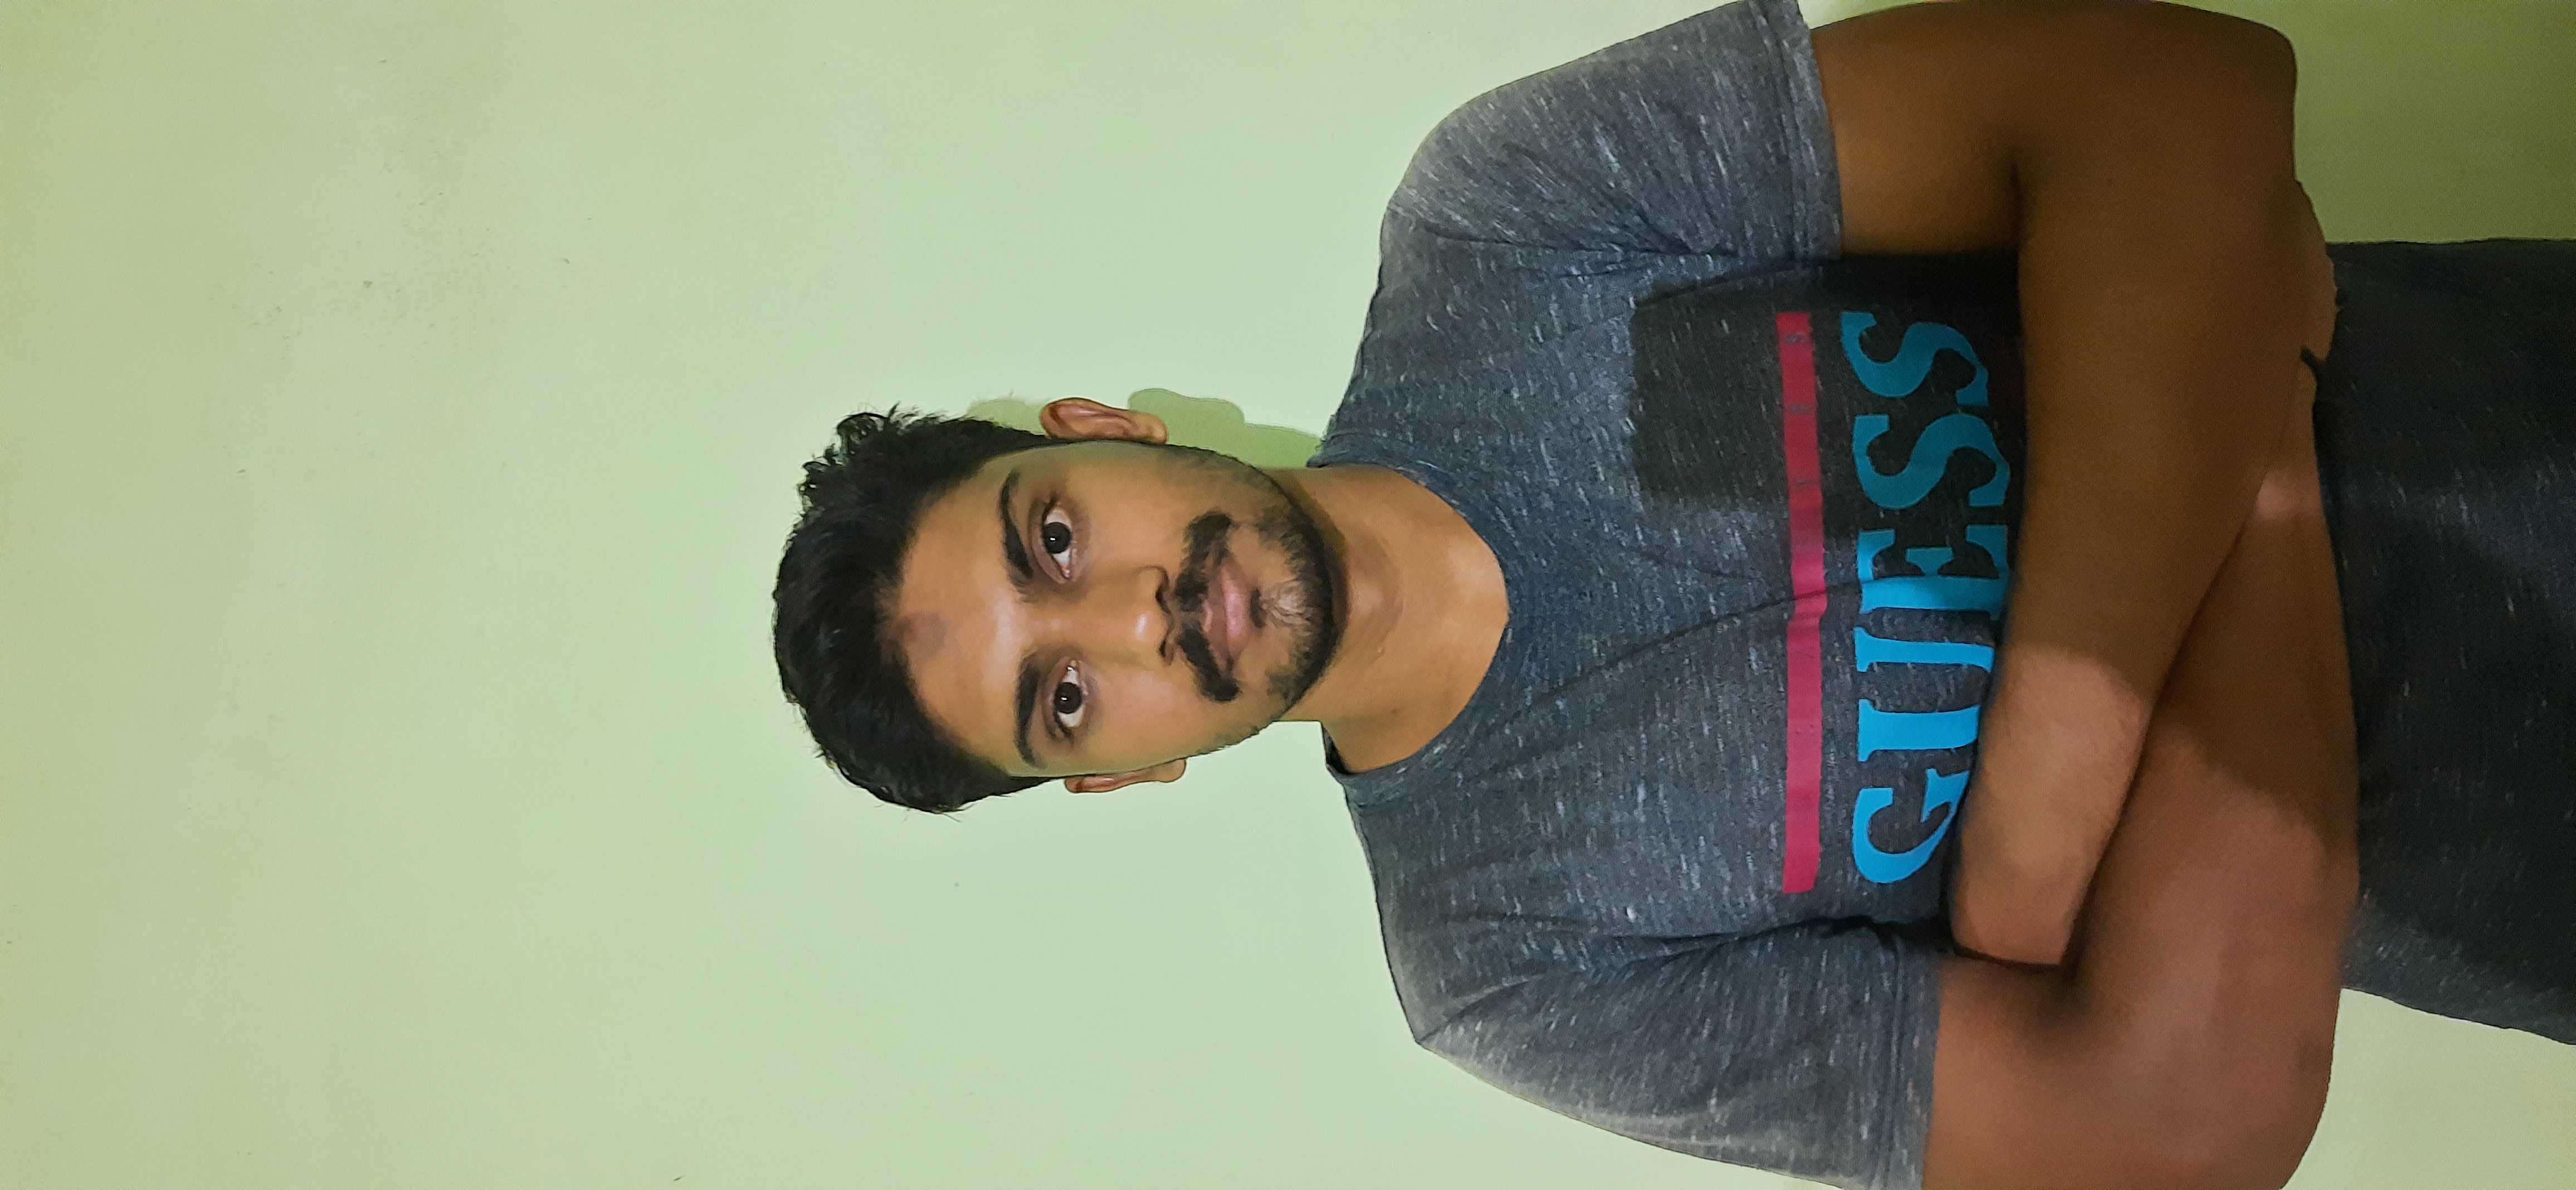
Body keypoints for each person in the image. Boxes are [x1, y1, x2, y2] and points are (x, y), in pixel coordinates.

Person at [770, 2, 2574, 1187]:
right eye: (1064, 695)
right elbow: (2181, 1129)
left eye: (1051, 542)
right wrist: (2256, 422)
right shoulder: (1502, 958)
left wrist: (2061, 755)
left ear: (1100, 433)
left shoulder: (1502, 226)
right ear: (1122, 771)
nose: (1133, 617)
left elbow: (2180, 92)